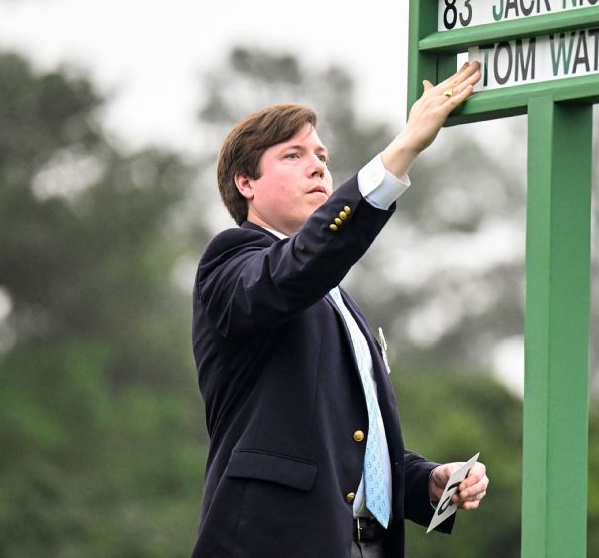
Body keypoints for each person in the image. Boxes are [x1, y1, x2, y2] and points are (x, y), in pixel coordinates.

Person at [190, 62, 488, 557]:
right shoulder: (231, 260)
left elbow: (348, 442)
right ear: (246, 183)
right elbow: (299, 265)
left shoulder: (334, 298)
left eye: (322, 156)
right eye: (293, 154)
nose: (318, 166)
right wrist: (403, 149)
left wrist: (425, 481)